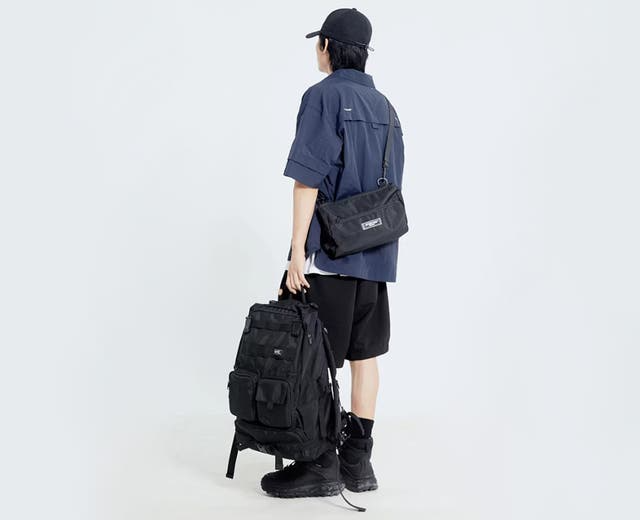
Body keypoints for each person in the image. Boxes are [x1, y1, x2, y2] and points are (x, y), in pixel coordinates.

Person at [260, 8, 405, 499]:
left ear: (327, 46)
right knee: (365, 355)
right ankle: (359, 464)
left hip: (330, 255)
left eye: (317, 43)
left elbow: (307, 180)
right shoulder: (387, 108)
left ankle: (319, 462)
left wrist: (296, 253)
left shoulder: (323, 96)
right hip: (376, 254)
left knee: (315, 358)